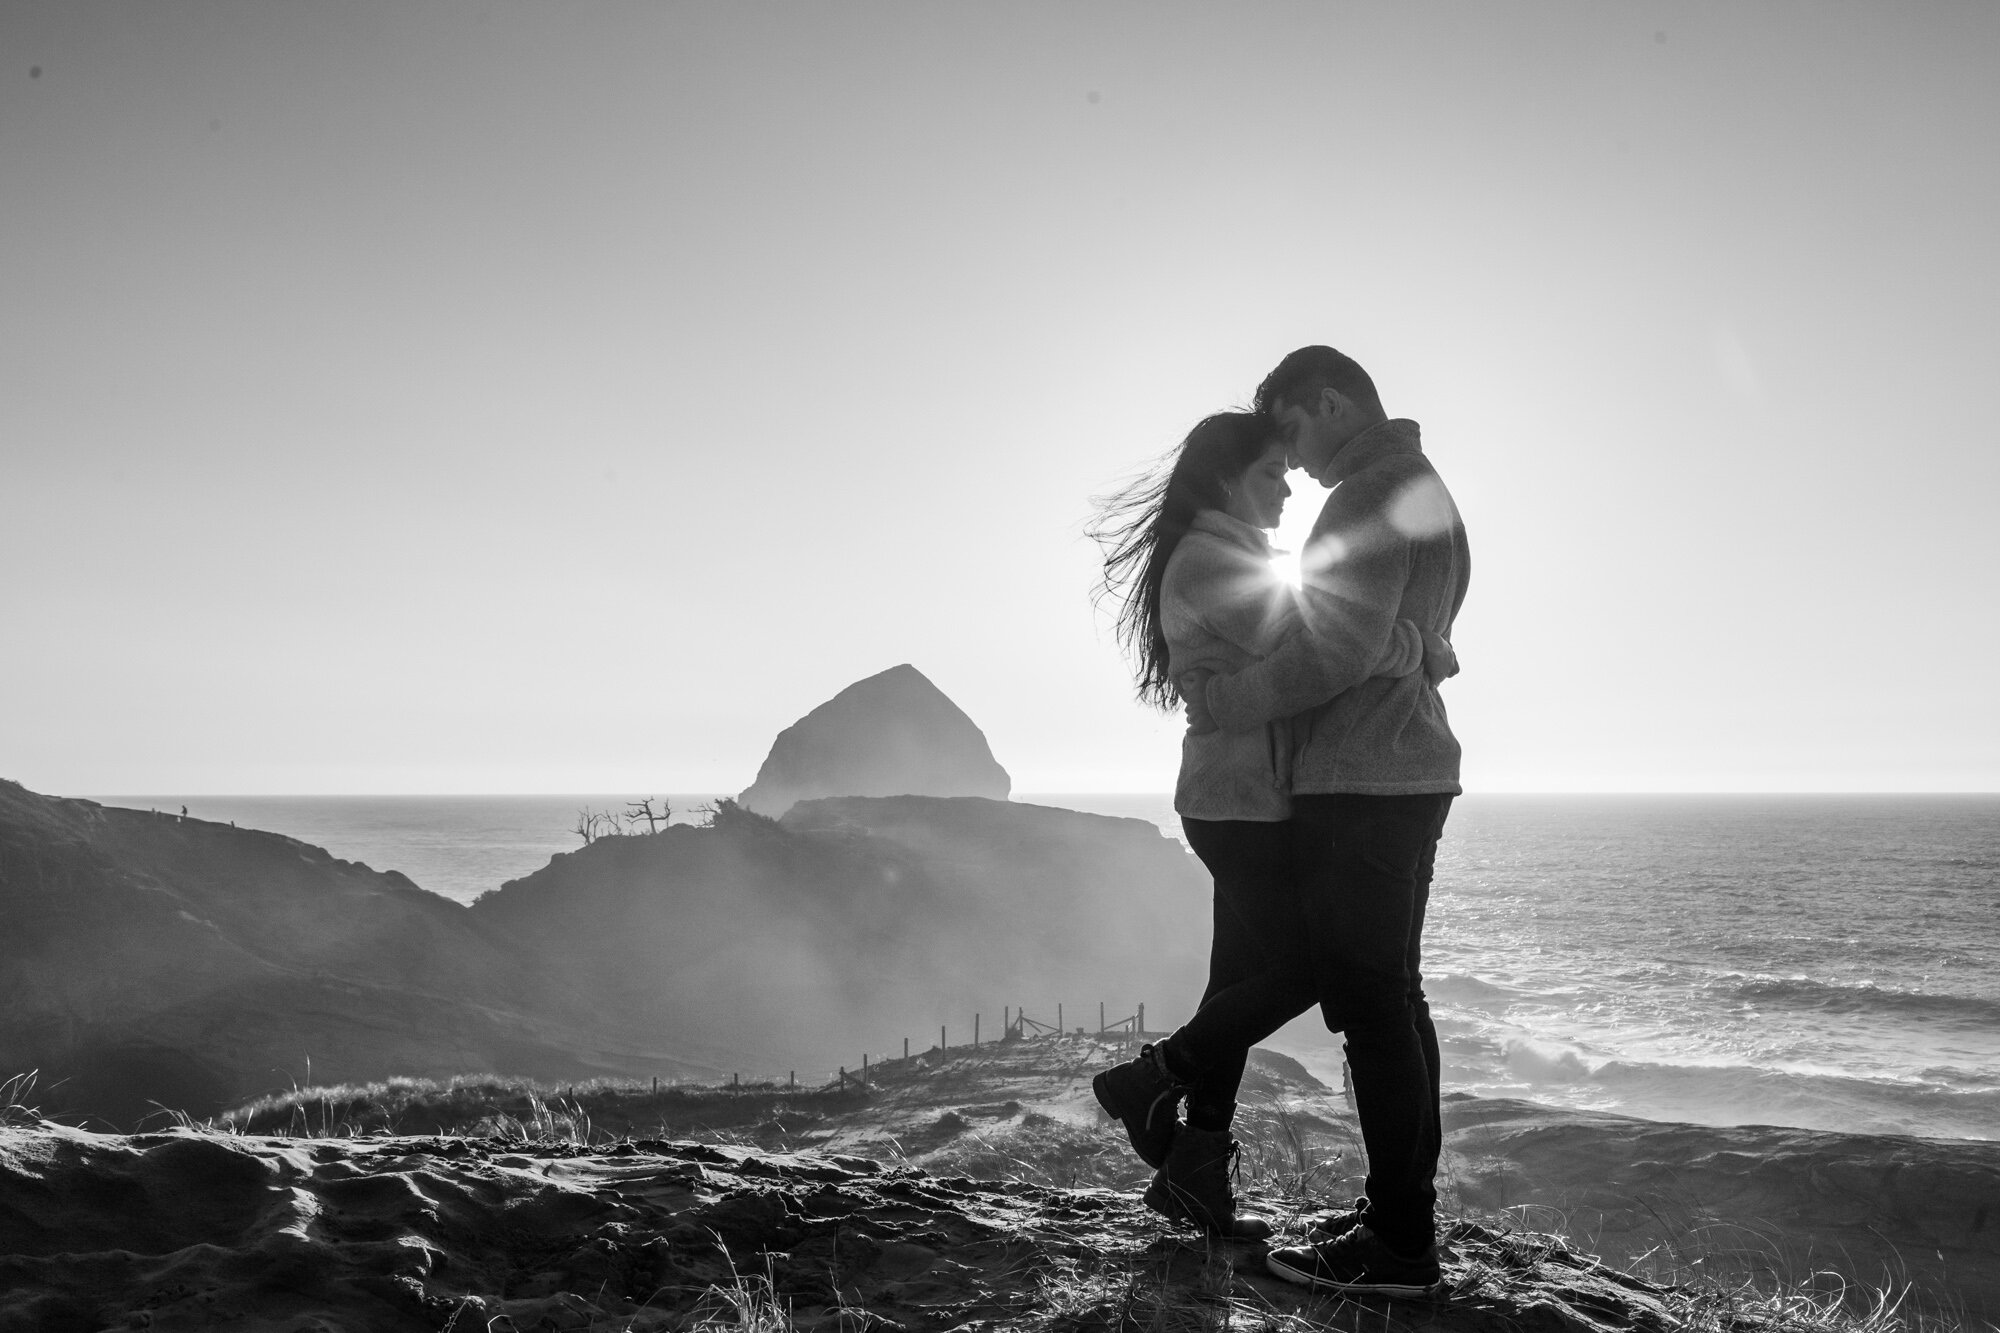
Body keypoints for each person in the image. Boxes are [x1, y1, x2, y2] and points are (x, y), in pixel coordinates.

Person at [1088, 410, 1453, 1241]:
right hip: (1240, 806)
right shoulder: (1214, 561)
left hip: (1246, 801)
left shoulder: (1232, 555)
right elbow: (1327, 652)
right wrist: (1421, 646)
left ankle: (1195, 1170)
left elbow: (1316, 644)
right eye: (1269, 474)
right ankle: (1154, 1077)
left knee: (1239, 977)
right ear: (1224, 479)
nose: (1288, 489)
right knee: (1317, 966)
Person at [1185, 347, 1470, 1296]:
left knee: (1371, 1011)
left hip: (1360, 778)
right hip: (1415, 770)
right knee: (1398, 999)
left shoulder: (1363, 496)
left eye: (1294, 431)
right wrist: (1418, 649)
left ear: (1331, 402)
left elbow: (1329, 653)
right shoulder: (1429, 490)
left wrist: (1226, 702)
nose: (1297, 463)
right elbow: (1402, 636)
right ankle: (1401, 1217)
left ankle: (1399, 1245)